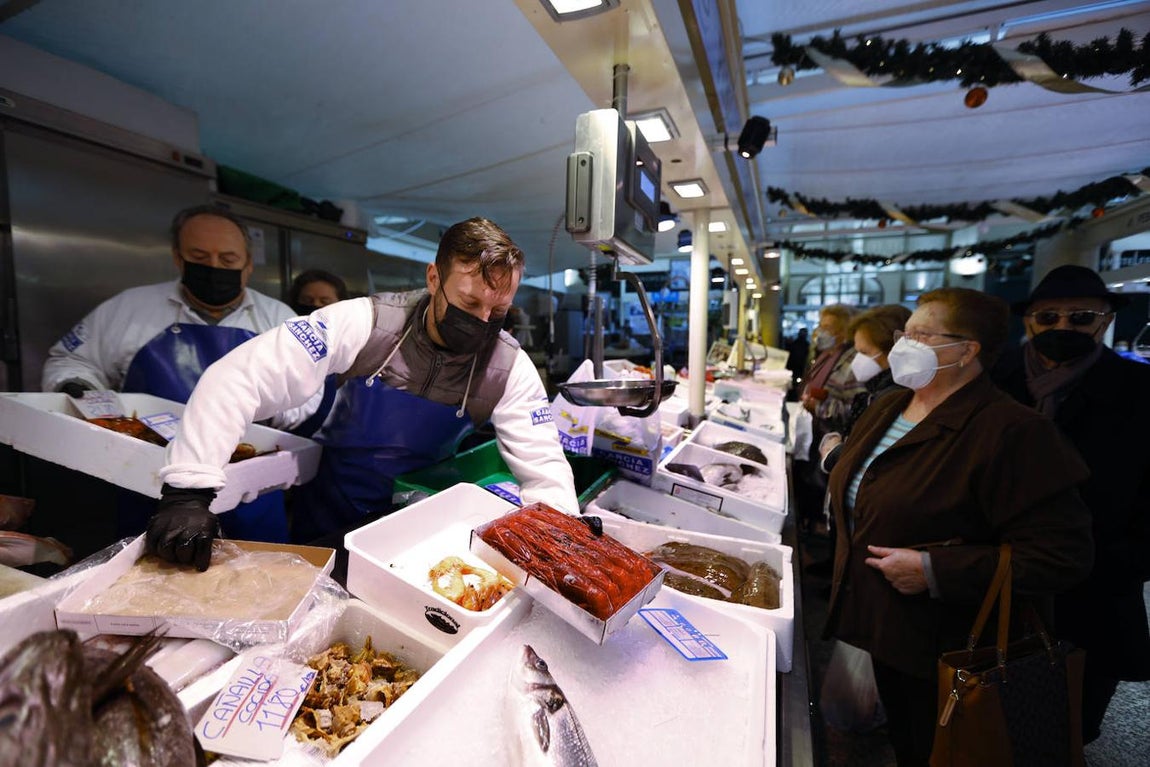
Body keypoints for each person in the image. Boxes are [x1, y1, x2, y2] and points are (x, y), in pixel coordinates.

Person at [148, 217, 578, 571]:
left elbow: (543, 466)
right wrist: (189, 488)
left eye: (498, 312)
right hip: (329, 509)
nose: (483, 321)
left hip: (419, 522)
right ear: (434, 278)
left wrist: (563, 540)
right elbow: (240, 375)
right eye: (469, 305)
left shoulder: (508, 366)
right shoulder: (366, 323)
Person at [824, 287, 1093, 766]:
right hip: (884, 629)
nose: (904, 344)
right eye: (904, 333)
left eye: (921, 335)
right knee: (910, 744)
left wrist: (935, 569)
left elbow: (1062, 555)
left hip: (950, 649)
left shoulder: (1013, 432)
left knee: (945, 749)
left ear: (968, 351)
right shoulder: (891, 406)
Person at [41, 204, 319, 542]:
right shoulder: (129, 308)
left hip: (250, 483)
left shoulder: (278, 319)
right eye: (200, 257)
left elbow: (311, 390)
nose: (214, 268)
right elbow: (71, 360)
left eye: (228, 260)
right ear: (178, 257)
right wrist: (80, 389)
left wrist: (275, 413)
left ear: (248, 264)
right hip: (148, 479)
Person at [992, 264, 1150, 744]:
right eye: (1049, 317)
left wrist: (1128, 560)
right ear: (1029, 322)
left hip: (1097, 577)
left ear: (1104, 320)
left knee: (1072, 721)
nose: (1063, 328)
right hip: (996, 571)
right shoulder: (994, 380)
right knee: (989, 707)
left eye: (1080, 317)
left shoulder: (1140, 391)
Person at [795, 305, 865, 534]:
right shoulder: (828, 354)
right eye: (820, 325)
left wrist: (821, 406)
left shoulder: (854, 361)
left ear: (843, 331)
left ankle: (821, 534)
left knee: (823, 488)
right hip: (817, 430)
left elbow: (856, 407)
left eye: (826, 327)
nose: (819, 332)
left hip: (833, 436)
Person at [819, 304, 912, 473]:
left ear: (894, 352)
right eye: (857, 352)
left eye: (865, 353)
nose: (857, 360)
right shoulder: (876, 390)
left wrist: (834, 452)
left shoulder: (895, 397)